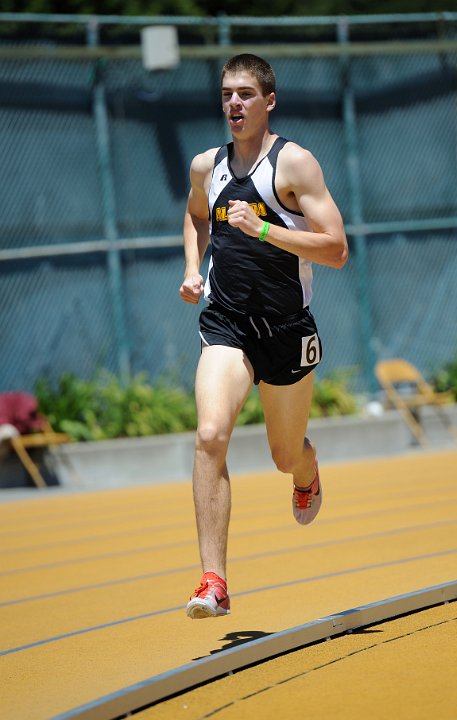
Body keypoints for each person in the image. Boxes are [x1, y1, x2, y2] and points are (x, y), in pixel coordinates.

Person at [179, 53, 348, 619]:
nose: (234, 103)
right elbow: (197, 214)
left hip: (286, 330)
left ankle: (307, 469)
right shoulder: (208, 165)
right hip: (226, 322)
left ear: (268, 101)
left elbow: (337, 250)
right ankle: (213, 581)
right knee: (209, 434)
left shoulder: (295, 164)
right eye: (227, 92)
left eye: (246, 93)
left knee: (284, 455)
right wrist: (191, 267)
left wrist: (267, 229)